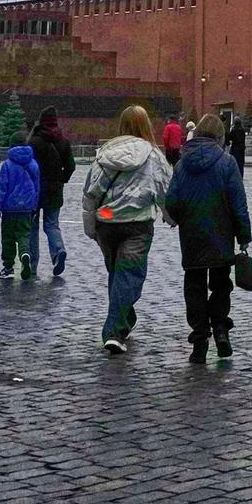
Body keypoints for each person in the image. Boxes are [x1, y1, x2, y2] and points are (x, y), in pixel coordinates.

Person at [82, 105, 172, 355]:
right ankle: (115, 332)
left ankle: (125, 320)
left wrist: (90, 225)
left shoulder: (106, 153)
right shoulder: (153, 156)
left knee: (117, 273)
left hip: (107, 223)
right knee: (129, 275)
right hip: (137, 224)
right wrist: (170, 216)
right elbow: (165, 190)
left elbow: (91, 191)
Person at [165, 113, 252, 364]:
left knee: (194, 287)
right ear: (220, 136)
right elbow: (239, 203)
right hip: (221, 236)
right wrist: (244, 235)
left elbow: (171, 201)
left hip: (191, 237)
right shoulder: (227, 163)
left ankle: (200, 341)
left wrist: (184, 217)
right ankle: (221, 330)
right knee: (221, 284)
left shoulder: (182, 164)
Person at [27, 106, 76, 277]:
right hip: (55, 190)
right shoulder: (62, 141)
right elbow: (71, 166)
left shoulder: (34, 141)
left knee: (32, 227)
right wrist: (62, 178)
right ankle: (58, 251)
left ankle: (32, 265)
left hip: (36, 190)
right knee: (52, 224)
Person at [0, 141, 41, 280]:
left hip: (9, 209)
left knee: (8, 238)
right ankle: (25, 254)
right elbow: (37, 188)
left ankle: (8, 267)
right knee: (24, 235)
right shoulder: (34, 164)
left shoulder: (7, 165)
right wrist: (34, 206)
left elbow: (1, 187)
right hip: (26, 209)